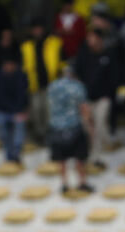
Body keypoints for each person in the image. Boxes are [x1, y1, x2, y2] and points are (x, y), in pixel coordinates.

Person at [74, 30, 121, 168]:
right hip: (85, 99)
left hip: (102, 98)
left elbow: (114, 77)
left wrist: (109, 94)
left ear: (100, 39)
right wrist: (81, 98)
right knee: (87, 128)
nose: (90, 40)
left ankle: (96, 157)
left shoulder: (109, 55)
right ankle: (87, 155)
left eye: (93, 37)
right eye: (88, 38)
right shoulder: (83, 54)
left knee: (99, 125)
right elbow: (77, 76)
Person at [48, 65, 93, 194]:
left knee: (61, 160)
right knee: (80, 159)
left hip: (56, 128)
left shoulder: (52, 87)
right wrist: (90, 126)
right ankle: (82, 183)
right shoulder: (77, 86)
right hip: (74, 127)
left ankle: (64, 184)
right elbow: (84, 107)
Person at [21, 18, 64, 142]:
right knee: (36, 110)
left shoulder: (54, 42)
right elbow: (24, 67)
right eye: (35, 29)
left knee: (49, 111)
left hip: (52, 83)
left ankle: (49, 136)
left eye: (39, 28)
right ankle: (40, 136)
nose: (37, 31)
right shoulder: (26, 46)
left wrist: (60, 78)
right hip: (34, 85)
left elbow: (62, 61)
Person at [0, 56, 29, 164]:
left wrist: (19, 110)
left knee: (19, 129)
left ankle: (16, 155)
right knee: (4, 134)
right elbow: (0, 97)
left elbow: (22, 95)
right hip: (2, 110)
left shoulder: (21, 76)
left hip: (18, 110)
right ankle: (8, 156)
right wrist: (13, 110)